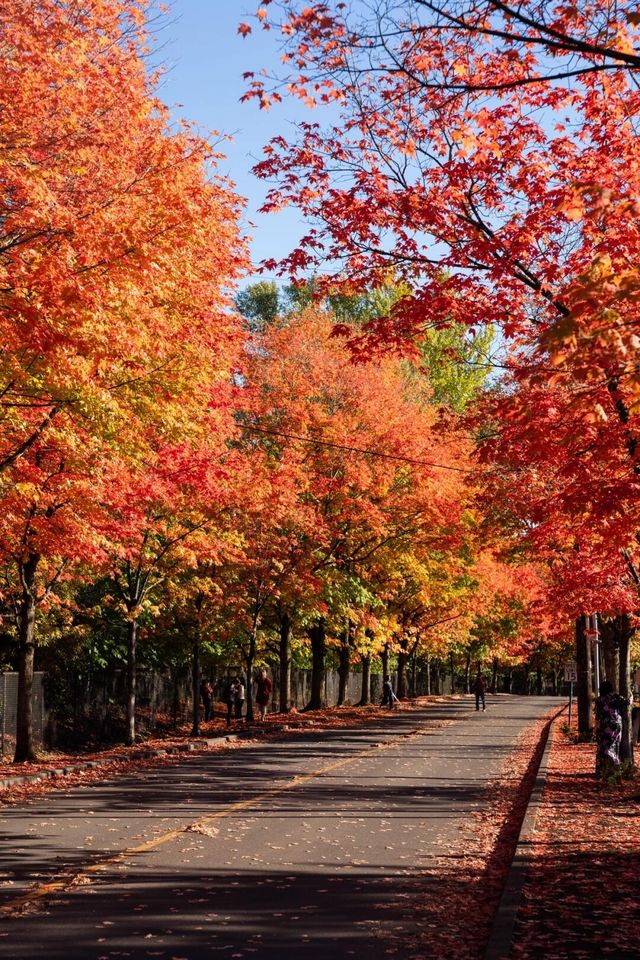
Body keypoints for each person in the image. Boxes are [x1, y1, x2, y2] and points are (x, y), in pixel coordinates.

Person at [595, 680, 629, 777]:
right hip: (616, 725)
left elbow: (598, 716)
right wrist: (631, 695)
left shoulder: (599, 700)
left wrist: (596, 727)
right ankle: (615, 768)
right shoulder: (616, 698)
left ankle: (601, 770)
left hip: (604, 726)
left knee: (602, 746)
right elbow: (627, 702)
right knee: (615, 746)